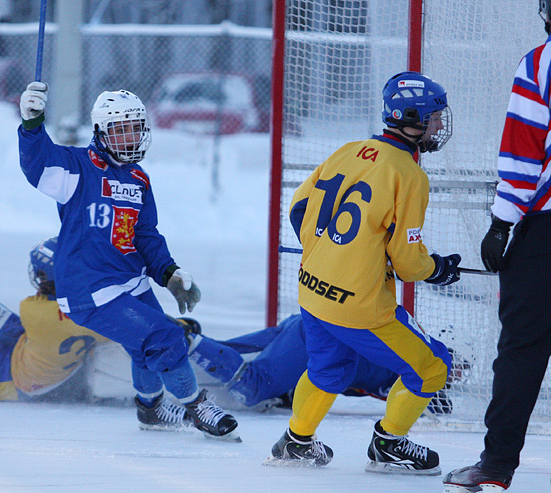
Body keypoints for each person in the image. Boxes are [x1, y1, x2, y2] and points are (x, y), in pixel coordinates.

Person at [17, 83, 239, 441]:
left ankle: (149, 410)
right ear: (100, 133)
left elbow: (145, 235)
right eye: (119, 129)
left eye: (134, 127)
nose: (128, 136)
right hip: (91, 289)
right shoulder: (76, 168)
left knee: (142, 347)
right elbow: (37, 165)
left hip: (130, 281)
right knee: (167, 336)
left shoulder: (138, 179)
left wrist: (169, 272)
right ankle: (197, 407)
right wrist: (31, 125)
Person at [266, 71, 462, 474]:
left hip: (312, 291)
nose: (441, 125)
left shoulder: (349, 150)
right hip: (358, 306)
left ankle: (296, 442)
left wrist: (338, 255)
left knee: (329, 369)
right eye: (436, 117)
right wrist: (438, 269)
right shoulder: (409, 175)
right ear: (412, 118)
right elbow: (408, 263)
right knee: (432, 367)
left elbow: (299, 210)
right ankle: (388, 445)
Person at [0, 237, 198, 432]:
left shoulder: (36, 311)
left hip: (4, 377)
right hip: (19, 339)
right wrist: (172, 325)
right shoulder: (94, 313)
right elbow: (132, 322)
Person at [443, 3, 551, 491]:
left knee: (522, 349)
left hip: (544, 230)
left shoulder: (541, 61)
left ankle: (496, 465)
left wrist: (501, 223)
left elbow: (523, 152)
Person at [183, 314, 464, 415]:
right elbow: (432, 402)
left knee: (234, 354)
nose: (458, 375)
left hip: (309, 325)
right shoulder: (411, 372)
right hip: (317, 340)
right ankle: (183, 338)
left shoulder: (408, 354)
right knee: (254, 387)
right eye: (457, 368)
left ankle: (186, 338)